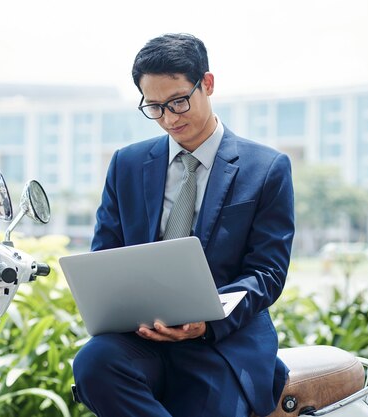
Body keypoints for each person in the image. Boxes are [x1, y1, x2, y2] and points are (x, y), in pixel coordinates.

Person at [72, 33, 295, 417]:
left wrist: (206, 322)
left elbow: (267, 274)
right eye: (155, 107)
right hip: (142, 337)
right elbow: (105, 255)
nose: (170, 118)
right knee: (94, 363)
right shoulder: (126, 164)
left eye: (178, 101)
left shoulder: (267, 168)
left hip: (223, 341)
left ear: (207, 84)